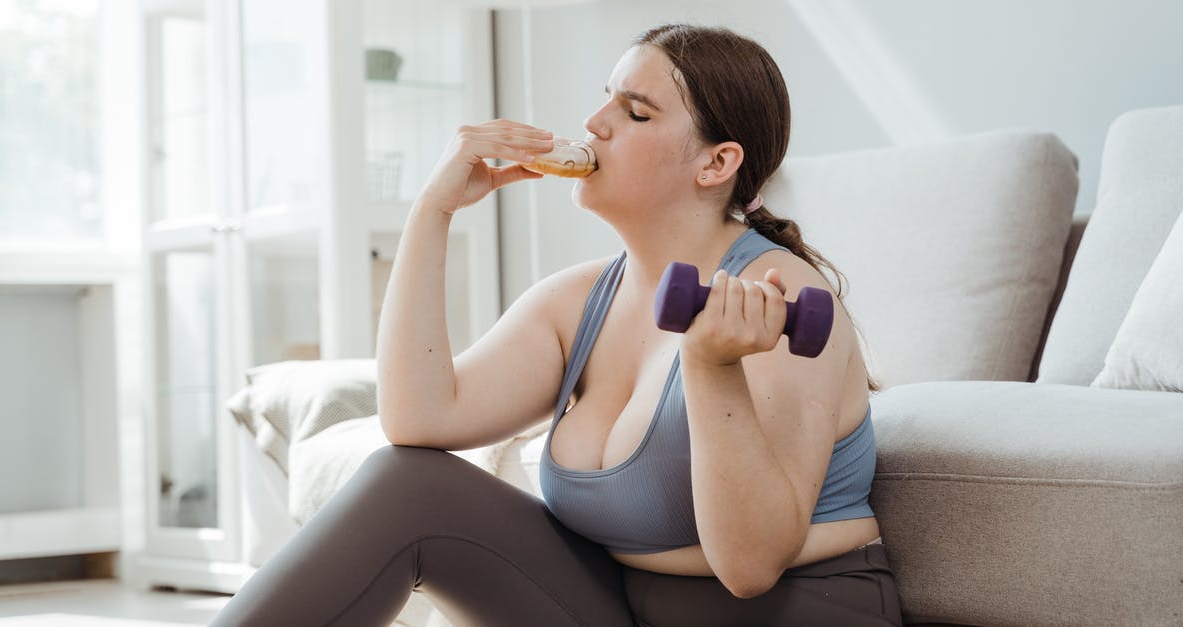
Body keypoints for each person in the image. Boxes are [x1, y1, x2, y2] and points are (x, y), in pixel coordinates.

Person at [212, 23, 901, 627]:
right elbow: (418, 420)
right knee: (407, 485)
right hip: (620, 605)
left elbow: (751, 565)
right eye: (606, 97)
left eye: (634, 112)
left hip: (790, 615)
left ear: (716, 162)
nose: (594, 122)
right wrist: (433, 211)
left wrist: (713, 367)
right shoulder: (579, 301)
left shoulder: (776, 295)